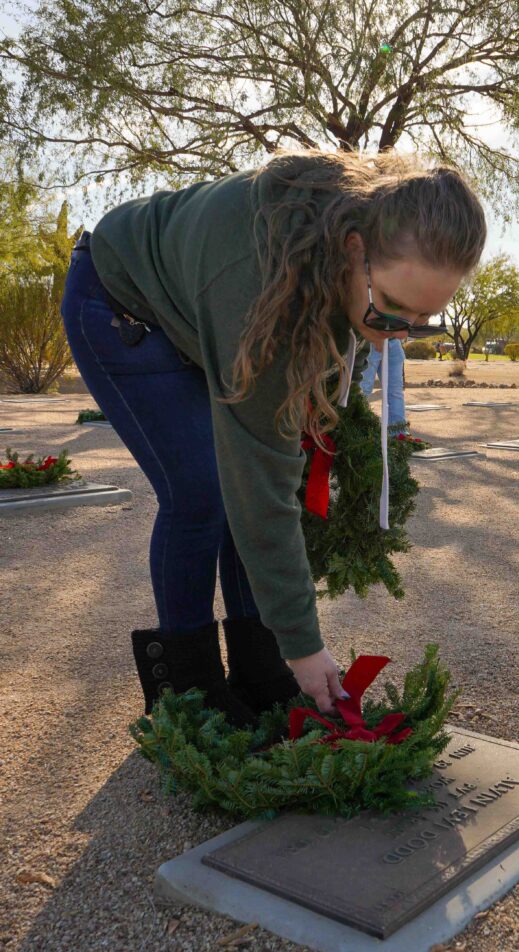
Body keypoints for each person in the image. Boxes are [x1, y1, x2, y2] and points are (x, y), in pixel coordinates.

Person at [60, 149, 486, 726]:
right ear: (354, 248)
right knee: (202, 494)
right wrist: (305, 645)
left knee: (237, 494)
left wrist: (285, 656)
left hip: (197, 307)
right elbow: (261, 479)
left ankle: (261, 673)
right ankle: (188, 692)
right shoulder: (260, 287)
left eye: (421, 323)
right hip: (120, 303)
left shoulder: (343, 256)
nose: (396, 338)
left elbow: (285, 459)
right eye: (390, 312)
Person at [359, 337, 407, 432]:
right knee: (363, 390)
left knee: (395, 392)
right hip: (371, 340)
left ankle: (398, 433)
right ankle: (357, 432)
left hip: (393, 342)